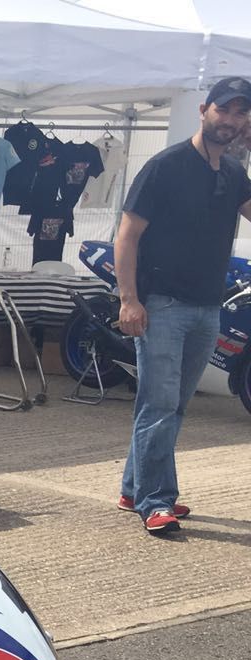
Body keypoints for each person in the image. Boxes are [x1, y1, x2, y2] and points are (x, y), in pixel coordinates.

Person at [115, 77, 251, 536]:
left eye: (240, 114)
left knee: (172, 404)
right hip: (163, 305)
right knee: (160, 404)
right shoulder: (165, 166)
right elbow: (127, 236)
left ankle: (134, 488)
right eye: (224, 111)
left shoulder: (233, 173)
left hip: (207, 307)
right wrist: (129, 300)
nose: (230, 121)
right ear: (204, 109)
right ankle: (156, 501)